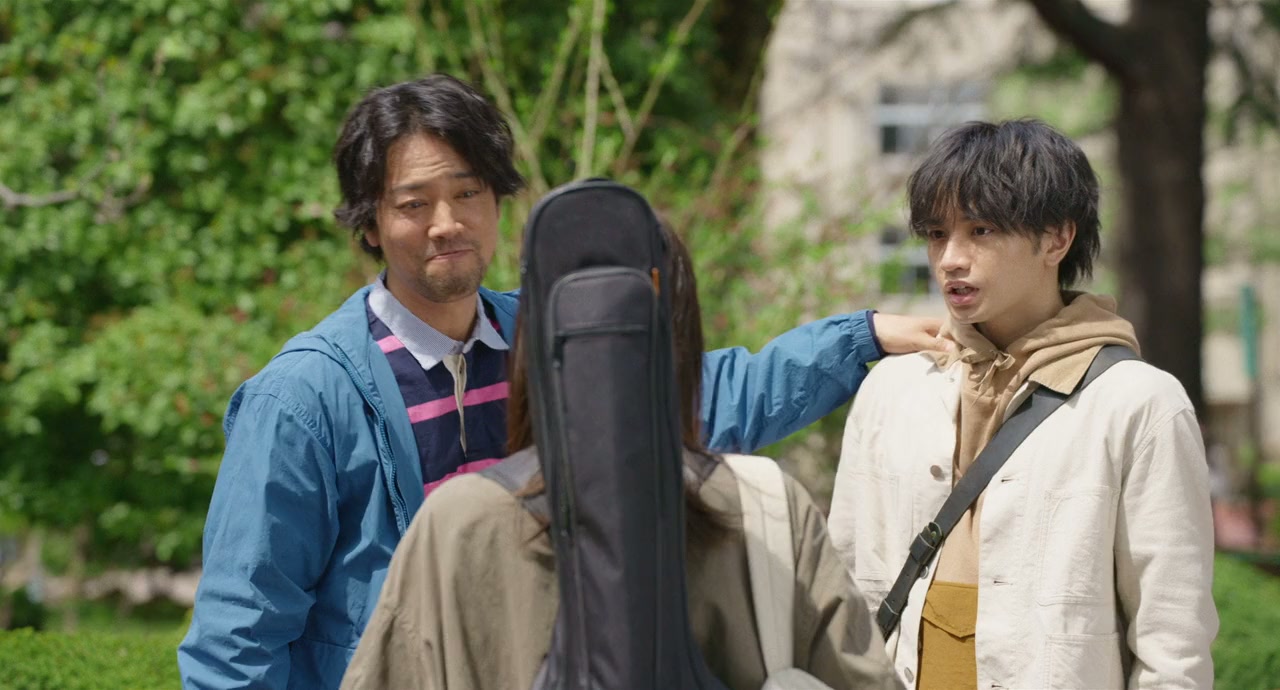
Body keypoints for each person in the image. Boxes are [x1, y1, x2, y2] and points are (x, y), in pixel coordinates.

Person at [177, 73, 939, 690]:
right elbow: (238, 641)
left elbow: (708, 395)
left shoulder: (546, 339)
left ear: (498, 201)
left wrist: (862, 336)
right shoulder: (303, 402)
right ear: (370, 223)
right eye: (413, 204)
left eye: (468, 193)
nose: (447, 222)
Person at [341, 223, 902, 690]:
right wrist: (859, 336)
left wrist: (856, 336)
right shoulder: (768, 508)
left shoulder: (456, 522)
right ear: (681, 338)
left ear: (534, 347)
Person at [827, 119, 1217, 690]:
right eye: (936, 234)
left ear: (1056, 239)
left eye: (981, 230)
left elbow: (1172, 640)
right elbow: (845, 583)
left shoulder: (1138, 403)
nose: (950, 259)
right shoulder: (892, 388)